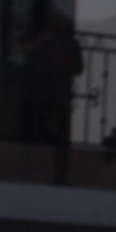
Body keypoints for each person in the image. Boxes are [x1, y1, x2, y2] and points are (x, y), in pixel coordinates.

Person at [19, 8, 83, 145]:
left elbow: (77, 67)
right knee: (40, 128)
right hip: (42, 94)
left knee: (54, 130)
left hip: (55, 94)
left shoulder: (67, 43)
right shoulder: (42, 40)